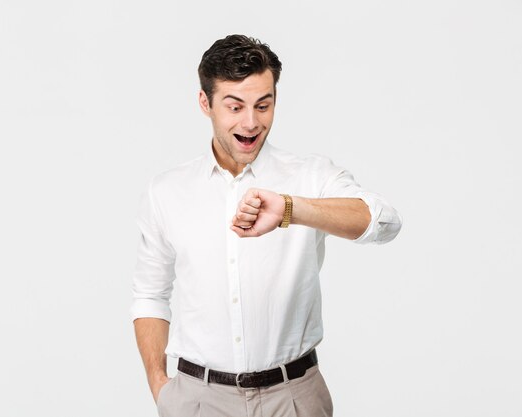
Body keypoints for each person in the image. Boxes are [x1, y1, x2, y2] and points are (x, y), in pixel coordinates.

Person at [131, 34, 402, 417]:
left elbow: (385, 222)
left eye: (264, 105)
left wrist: (292, 208)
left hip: (293, 397)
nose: (251, 122)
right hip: (197, 401)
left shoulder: (310, 175)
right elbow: (149, 295)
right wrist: (161, 388)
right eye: (235, 106)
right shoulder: (167, 191)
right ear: (205, 103)